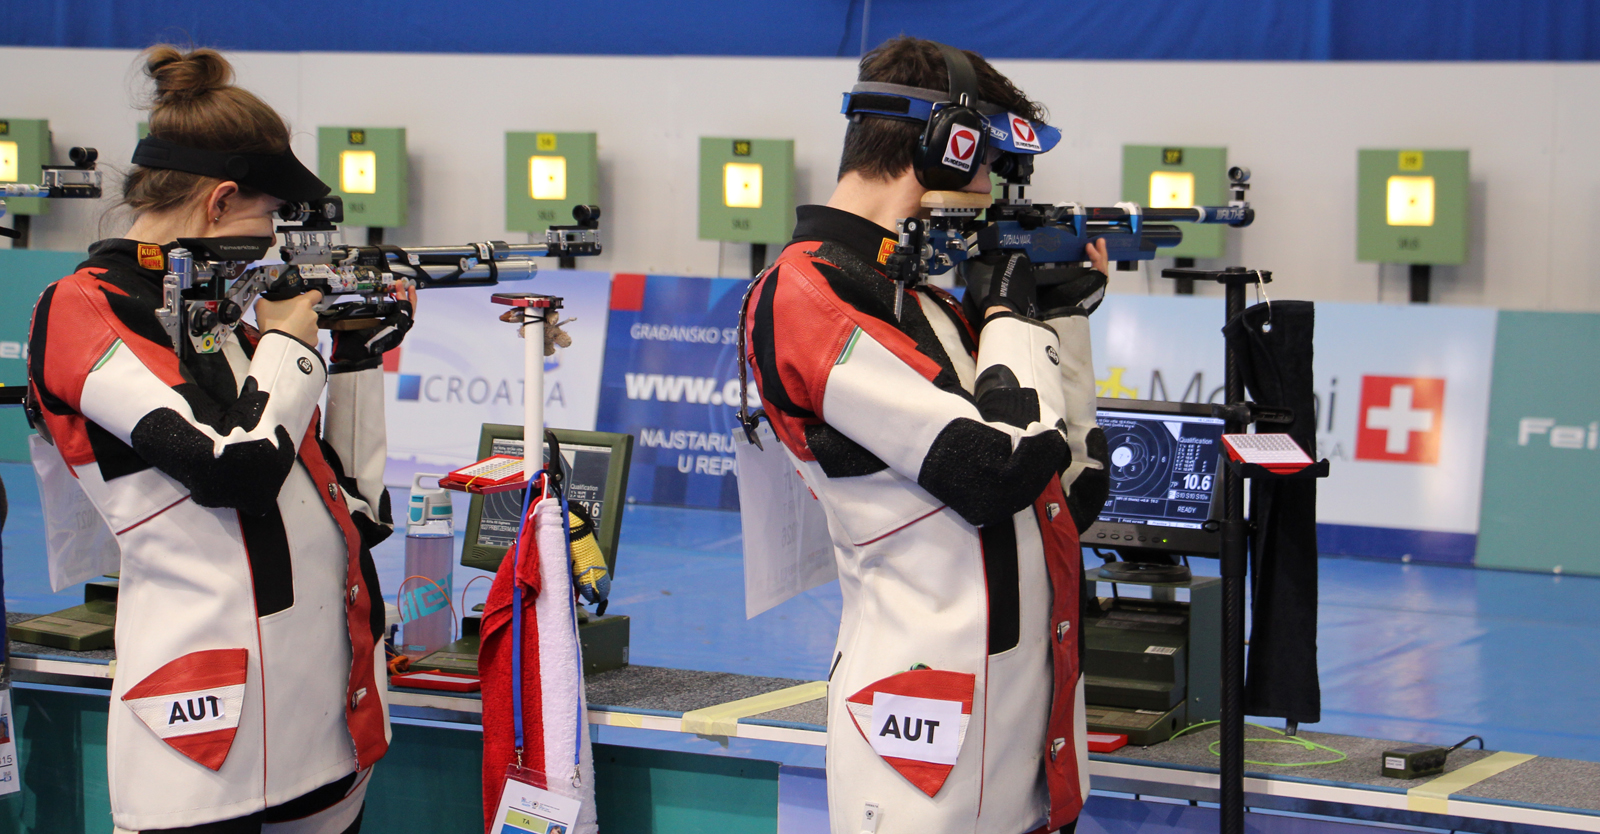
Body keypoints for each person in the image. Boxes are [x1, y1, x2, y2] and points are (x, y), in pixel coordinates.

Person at [26, 46, 413, 834]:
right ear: (221, 201)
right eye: (269, 216)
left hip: (320, 716)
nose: (273, 238)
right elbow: (232, 469)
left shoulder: (214, 318)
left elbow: (347, 506)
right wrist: (294, 347)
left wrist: (355, 359)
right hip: (205, 729)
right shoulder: (85, 309)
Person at [742, 37, 1109, 834]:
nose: (993, 195)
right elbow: (996, 472)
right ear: (947, 145)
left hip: (1027, 755)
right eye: (992, 169)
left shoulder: (931, 306)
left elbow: (1068, 493)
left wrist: (1064, 321)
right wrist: (1012, 315)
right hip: (920, 750)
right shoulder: (806, 296)